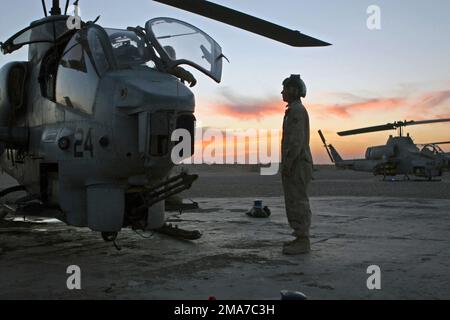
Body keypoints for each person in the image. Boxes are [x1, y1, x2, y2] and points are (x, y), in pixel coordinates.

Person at [280, 74, 313, 255]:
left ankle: (303, 240)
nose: (282, 92)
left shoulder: (296, 111)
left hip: (297, 163)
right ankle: (300, 237)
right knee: (293, 199)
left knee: (298, 200)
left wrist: (289, 163)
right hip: (296, 162)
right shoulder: (293, 110)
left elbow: (296, 141)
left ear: (293, 90)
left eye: (284, 88)